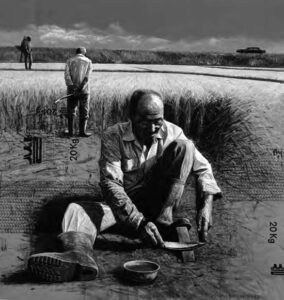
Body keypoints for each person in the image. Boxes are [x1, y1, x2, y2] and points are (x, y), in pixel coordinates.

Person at [27, 89, 222, 282]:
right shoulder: (114, 135)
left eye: (158, 121)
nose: (153, 128)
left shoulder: (173, 132)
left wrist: (206, 206)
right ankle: (78, 258)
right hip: (125, 205)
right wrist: (138, 222)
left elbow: (203, 169)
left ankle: (163, 222)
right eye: (146, 121)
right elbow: (111, 183)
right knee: (76, 209)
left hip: (160, 203)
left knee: (185, 147)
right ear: (132, 117)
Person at [64, 47, 93, 137]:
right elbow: (87, 77)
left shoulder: (69, 61)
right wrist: (80, 87)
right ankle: (82, 132)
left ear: (76, 52)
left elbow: (67, 75)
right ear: (84, 53)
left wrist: (73, 87)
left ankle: (70, 132)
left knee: (71, 111)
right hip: (84, 90)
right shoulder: (88, 61)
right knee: (84, 111)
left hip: (71, 90)